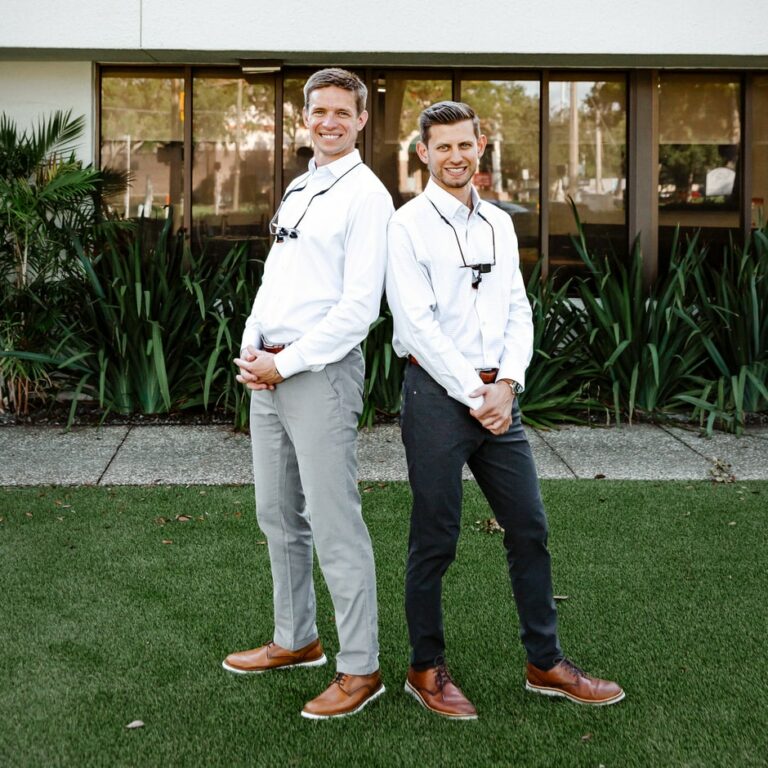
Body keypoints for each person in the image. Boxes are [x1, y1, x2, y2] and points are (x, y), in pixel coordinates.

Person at [385, 101, 624, 720]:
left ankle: (544, 662)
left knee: (530, 530)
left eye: (465, 145)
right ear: (423, 153)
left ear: (481, 145)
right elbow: (416, 326)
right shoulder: (407, 225)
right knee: (434, 539)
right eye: (442, 147)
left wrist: (509, 385)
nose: (455, 156)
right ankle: (424, 668)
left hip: (500, 400)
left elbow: (519, 308)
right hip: (437, 398)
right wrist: (477, 392)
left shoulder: (499, 222)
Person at [223, 68, 394, 720]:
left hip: (317, 376)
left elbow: (358, 310)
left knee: (333, 522)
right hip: (267, 372)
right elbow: (277, 274)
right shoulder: (301, 185)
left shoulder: (366, 196)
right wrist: (251, 345)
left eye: (340, 113)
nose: (328, 122)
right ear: (307, 117)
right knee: (277, 514)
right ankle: (296, 640)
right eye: (318, 111)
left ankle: (361, 669)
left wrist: (285, 363)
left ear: (360, 120)